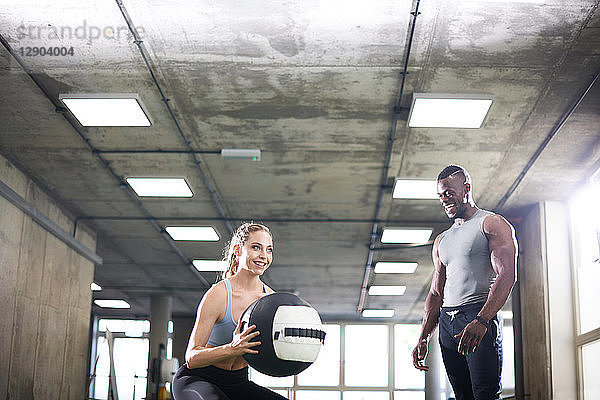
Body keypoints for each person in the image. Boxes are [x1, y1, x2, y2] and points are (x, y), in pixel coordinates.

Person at [412, 165, 518, 400]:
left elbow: (507, 275)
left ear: (466, 189)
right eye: (440, 195)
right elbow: (436, 293)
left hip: (477, 315)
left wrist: (482, 319)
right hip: (447, 324)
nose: (444, 199)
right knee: (462, 396)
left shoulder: (491, 224)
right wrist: (423, 337)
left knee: (485, 395)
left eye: (449, 192)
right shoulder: (442, 239)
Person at [172, 223, 287, 400]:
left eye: (269, 250)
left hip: (237, 382)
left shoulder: (270, 299)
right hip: (198, 379)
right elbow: (192, 358)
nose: (263, 256)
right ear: (237, 250)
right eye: (256, 247)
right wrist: (232, 348)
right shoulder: (219, 294)